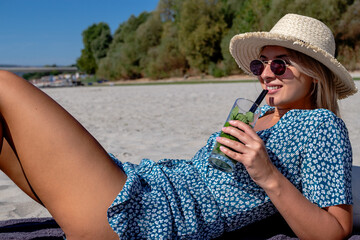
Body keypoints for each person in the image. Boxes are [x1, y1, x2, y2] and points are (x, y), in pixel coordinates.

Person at [0, 13, 357, 240]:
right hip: (149, 185)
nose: (265, 74)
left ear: (313, 71)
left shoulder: (320, 125)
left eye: (280, 65)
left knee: (4, 85)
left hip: (160, 217)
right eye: (260, 65)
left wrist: (268, 176)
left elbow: (336, 229)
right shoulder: (257, 115)